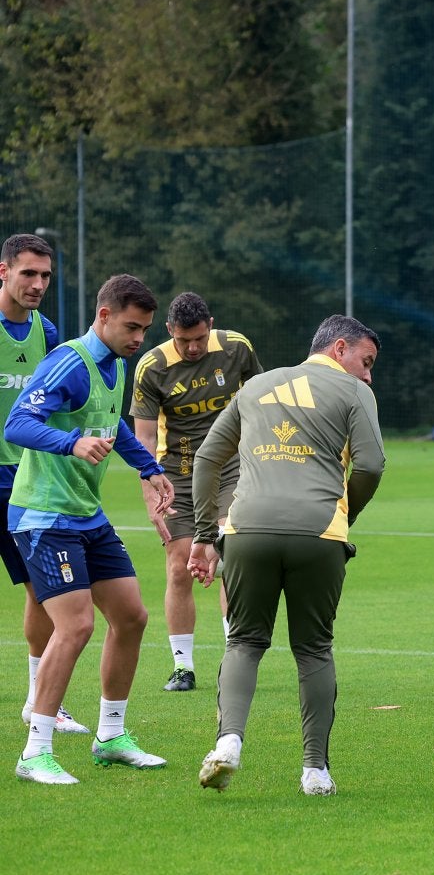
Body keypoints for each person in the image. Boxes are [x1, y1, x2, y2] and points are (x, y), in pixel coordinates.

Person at [191, 314, 385, 797]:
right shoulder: (355, 392)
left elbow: (206, 459)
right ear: (340, 348)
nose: (368, 374)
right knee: (314, 649)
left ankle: (229, 742)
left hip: (246, 528)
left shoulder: (255, 385)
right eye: (367, 361)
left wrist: (202, 531)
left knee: (244, 642)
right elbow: (372, 464)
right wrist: (346, 514)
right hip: (318, 532)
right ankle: (315, 771)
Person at [8, 273, 175, 785]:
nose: (137, 339)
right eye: (130, 327)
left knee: (131, 616)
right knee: (76, 625)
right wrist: (71, 443)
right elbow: (16, 423)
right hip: (43, 516)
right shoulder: (69, 362)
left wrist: (147, 466)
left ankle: (111, 737)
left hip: (86, 515)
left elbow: (113, 423)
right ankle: (34, 751)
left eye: (144, 330)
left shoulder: (113, 365)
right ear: (103, 316)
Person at [131, 291, 263, 693]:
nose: (193, 348)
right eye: (184, 339)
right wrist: (150, 493)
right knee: (179, 567)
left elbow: (262, 400)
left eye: (200, 339)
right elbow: (145, 436)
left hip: (230, 468)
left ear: (211, 326)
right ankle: (183, 667)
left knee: (228, 554)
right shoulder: (152, 367)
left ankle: (233, 659)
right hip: (178, 475)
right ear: (170, 330)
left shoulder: (236, 348)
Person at [1, 234, 89, 735]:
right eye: (28, 273)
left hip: (21, 482)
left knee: (42, 590)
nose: (37, 284)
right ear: (4, 271)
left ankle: (40, 700)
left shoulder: (47, 332)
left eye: (45, 276)